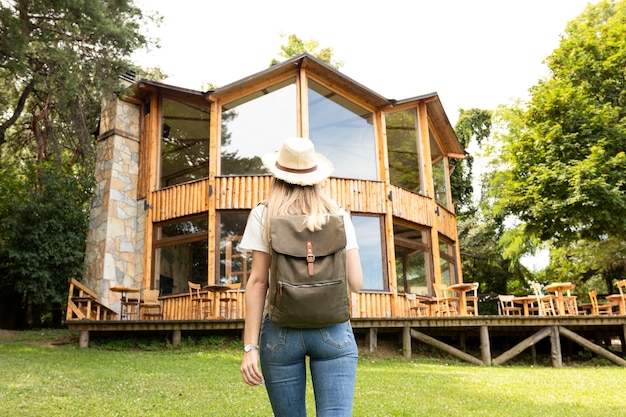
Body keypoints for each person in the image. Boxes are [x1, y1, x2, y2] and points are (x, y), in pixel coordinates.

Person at [239, 137, 363, 417]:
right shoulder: (339, 217)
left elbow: (258, 282)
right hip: (333, 331)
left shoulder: (263, 214)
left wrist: (250, 347)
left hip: (281, 333)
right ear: (317, 177)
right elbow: (356, 282)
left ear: (278, 176)